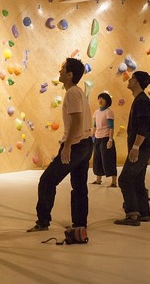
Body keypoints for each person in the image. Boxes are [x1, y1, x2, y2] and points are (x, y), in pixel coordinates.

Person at [27, 58, 93, 232]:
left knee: (47, 180)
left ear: (69, 74)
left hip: (77, 145)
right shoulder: (78, 92)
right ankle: (80, 224)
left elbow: (77, 122)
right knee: (79, 185)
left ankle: (43, 221)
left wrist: (67, 146)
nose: (60, 71)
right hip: (85, 144)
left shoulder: (72, 93)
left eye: (63, 69)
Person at [114, 70, 150, 226]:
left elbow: (144, 126)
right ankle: (144, 212)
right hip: (143, 147)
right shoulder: (141, 100)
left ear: (137, 82)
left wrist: (136, 146)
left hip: (142, 147)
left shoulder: (142, 101)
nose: (129, 80)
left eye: (132, 78)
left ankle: (132, 215)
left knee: (125, 179)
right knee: (138, 179)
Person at [91, 92, 117, 188]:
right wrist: (91, 136)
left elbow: (111, 127)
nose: (100, 100)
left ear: (107, 101)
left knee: (108, 159)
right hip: (97, 138)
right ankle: (98, 180)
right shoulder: (96, 112)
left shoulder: (109, 112)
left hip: (106, 138)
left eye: (103, 99)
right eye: (99, 98)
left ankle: (114, 182)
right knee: (97, 159)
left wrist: (110, 140)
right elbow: (94, 126)